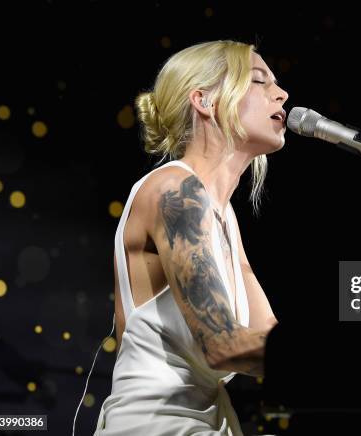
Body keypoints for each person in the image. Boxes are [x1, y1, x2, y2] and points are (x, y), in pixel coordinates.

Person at [94, 39, 288, 435]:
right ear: (204, 101)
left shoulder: (225, 217)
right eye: (258, 80)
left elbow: (266, 335)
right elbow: (225, 345)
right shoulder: (173, 190)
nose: (282, 93)